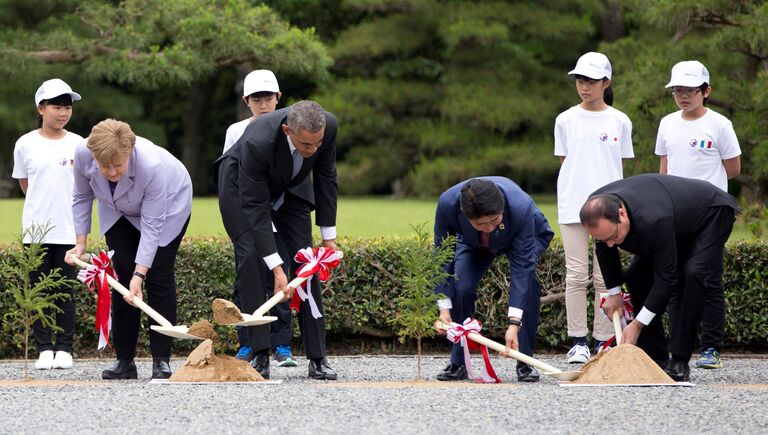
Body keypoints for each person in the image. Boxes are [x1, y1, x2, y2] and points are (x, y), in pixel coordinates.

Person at [215, 100, 338, 380]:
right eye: (306, 145)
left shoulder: (327, 127)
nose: (313, 151)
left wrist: (328, 238)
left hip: (291, 186)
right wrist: (277, 268)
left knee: (307, 261)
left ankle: (318, 358)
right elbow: (256, 209)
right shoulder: (258, 139)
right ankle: (259, 353)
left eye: (317, 143)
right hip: (242, 186)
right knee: (250, 259)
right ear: (286, 130)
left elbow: (326, 176)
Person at [65, 119, 192, 380]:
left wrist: (140, 275)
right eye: (104, 167)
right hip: (118, 209)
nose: (112, 172)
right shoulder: (81, 152)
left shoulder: (151, 165)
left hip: (168, 209)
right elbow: (81, 196)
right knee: (121, 277)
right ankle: (125, 361)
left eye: (118, 165)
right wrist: (81, 244)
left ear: (129, 153)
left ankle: (161, 360)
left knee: (158, 275)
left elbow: (152, 226)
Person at [579, 174, 737, 382]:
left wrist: (637, 324)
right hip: (675, 219)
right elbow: (604, 249)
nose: (611, 244)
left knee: (692, 274)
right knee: (636, 275)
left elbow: (667, 279)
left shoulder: (653, 219)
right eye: (603, 239)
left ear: (622, 214)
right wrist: (614, 294)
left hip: (712, 214)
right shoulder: (597, 211)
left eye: (614, 237)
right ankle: (656, 357)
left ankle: (679, 360)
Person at [655, 60, 742, 370]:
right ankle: (679, 347)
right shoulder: (667, 123)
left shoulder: (719, 124)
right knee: (675, 279)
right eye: (678, 90)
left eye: (691, 90)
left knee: (707, 277)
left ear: (706, 91)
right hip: (676, 212)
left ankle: (711, 347)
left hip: (711, 213)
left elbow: (733, 168)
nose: (684, 96)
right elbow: (664, 168)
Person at [554, 52, 634, 364]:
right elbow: (566, 164)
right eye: (580, 80)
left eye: (591, 80)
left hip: (609, 210)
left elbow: (619, 166)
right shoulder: (565, 119)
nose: (584, 87)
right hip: (573, 204)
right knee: (575, 274)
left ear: (606, 82)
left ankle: (603, 340)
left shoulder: (620, 120)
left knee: (605, 276)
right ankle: (578, 341)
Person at [433, 177, 554, 382]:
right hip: (473, 243)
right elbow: (442, 256)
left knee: (529, 285)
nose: (489, 228)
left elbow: (522, 267)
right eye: (481, 223)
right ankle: (458, 361)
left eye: (494, 221)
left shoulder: (520, 206)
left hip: (522, 235)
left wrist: (513, 324)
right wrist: (444, 308)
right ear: (464, 215)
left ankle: (525, 361)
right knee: (462, 286)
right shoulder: (447, 204)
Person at [221, 69, 297, 367]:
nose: (263, 104)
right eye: (256, 99)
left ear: (278, 99)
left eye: (268, 98)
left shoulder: (291, 129)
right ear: (246, 101)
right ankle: (248, 342)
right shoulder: (234, 132)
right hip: (246, 215)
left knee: (279, 274)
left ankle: (281, 343)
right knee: (247, 276)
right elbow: (229, 178)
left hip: (277, 212)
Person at [12, 78, 83, 371]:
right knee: (38, 291)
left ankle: (65, 348)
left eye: (67, 107)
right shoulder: (25, 143)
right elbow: (25, 184)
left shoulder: (79, 144)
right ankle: (43, 348)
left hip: (69, 230)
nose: (63, 112)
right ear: (41, 108)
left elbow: (84, 188)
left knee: (65, 290)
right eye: (56, 106)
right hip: (36, 231)